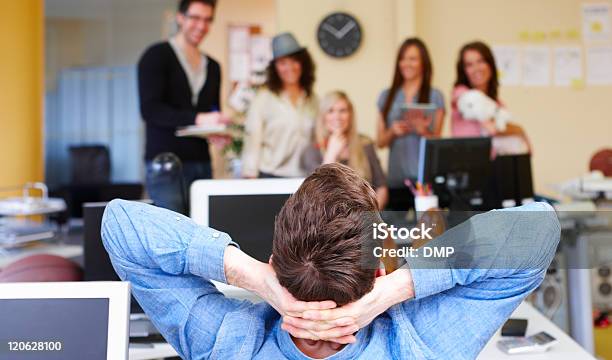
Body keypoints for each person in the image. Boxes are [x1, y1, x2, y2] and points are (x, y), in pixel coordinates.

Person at [102, 163, 560, 359]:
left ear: (274, 261)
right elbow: (539, 229)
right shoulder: (423, 343)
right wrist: (393, 292)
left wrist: (257, 279)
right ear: (378, 270)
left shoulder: (227, 343)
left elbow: (120, 224)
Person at [138, 0, 229, 213]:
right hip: (166, 163)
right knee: (171, 232)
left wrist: (214, 132)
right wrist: (199, 119)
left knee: (202, 228)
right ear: (180, 17)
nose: (201, 26)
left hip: (201, 162)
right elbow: (150, 110)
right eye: (195, 18)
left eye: (207, 20)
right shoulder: (156, 56)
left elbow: (211, 111)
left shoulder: (213, 67)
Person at [376, 38, 446, 211]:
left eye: (413, 59)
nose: (406, 63)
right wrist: (393, 131)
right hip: (395, 178)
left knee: (427, 233)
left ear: (424, 63)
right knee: (397, 233)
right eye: (403, 58)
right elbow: (380, 142)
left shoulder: (435, 96)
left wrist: (423, 131)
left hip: (425, 181)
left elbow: (438, 142)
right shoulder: (387, 96)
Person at [241, 32, 318, 178]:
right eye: (283, 63)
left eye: (294, 60)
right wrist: (249, 175)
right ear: (275, 68)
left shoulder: (313, 99)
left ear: (303, 62)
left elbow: (317, 140)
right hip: (271, 176)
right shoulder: (263, 99)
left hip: (304, 178)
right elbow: (253, 139)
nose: (290, 67)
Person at [301, 91, 388, 209]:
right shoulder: (311, 150)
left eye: (342, 111)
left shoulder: (366, 144)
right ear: (323, 116)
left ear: (350, 115)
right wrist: (331, 154)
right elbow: (313, 194)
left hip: (365, 218)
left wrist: (371, 216)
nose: (337, 116)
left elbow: (381, 187)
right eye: (331, 111)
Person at [452, 41, 531, 154]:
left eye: (481, 61)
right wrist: (517, 130)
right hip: (465, 164)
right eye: (469, 65)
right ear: (464, 71)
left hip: (493, 165)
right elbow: (494, 129)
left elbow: (497, 128)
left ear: (490, 64)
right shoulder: (461, 95)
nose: (476, 68)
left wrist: (519, 130)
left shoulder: (498, 103)